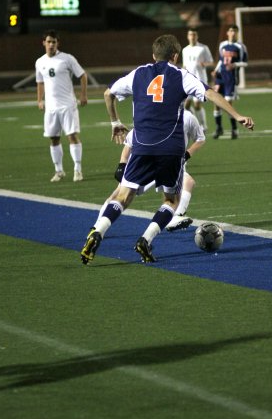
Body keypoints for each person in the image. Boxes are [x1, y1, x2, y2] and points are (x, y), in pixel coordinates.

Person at [80, 33, 254, 264]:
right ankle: (145, 240)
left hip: (141, 146)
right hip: (170, 148)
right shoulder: (181, 75)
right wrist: (238, 115)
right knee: (171, 200)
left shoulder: (138, 73)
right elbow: (210, 94)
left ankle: (97, 231)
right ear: (175, 56)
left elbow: (107, 93)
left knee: (123, 195)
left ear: (153, 55)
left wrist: (115, 122)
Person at [94, 109, 206, 233]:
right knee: (119, 194)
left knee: (188, 182)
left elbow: (200, 138)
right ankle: (97, 226)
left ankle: (175, 216)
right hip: (145, 164)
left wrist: (187, 154)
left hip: (169, 165)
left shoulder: (188, 117)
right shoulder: (153, 113)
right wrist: (122, 164)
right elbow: (130, 141)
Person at [35, 29, 88, 181]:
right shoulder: (40, 62)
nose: (51, 44)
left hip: (67, 105)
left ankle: (77, 169)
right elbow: (40, 82)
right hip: (51, 107)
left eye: (54, 42)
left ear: (58, 43)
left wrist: (83, 95)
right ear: (43, 43)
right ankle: (59, 171)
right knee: (53, 138)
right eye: (49, 41)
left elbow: (83, 75)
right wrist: (40, 100)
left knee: (72, 136)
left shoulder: (67, 59)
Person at [212, 24, 248, 139]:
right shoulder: (222, 45)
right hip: (220, 78)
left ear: (237, 33)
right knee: (216, 103)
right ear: (227, 33)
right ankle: (219, 128)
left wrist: (235, 65)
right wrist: (216, 70)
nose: (232, 33)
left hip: (231, 79)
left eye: (235, 31)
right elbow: (221, 61)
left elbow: (245, 62)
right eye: (231, 31)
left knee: (228, 104)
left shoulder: (240, 46)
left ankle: (234, 129)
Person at [181, 28, 214, 131]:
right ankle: (195, 123)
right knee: (186, 106)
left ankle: (203, 126)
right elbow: (184, 65)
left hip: (200, 80)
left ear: (197, 36)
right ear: (188, 36)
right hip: (188, 80)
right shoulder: (185, 50)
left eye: (194, 35)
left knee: (197, 104)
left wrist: (204, 64)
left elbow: (211, 62)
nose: (192, 37)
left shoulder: (203, 48)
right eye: (190, 35)